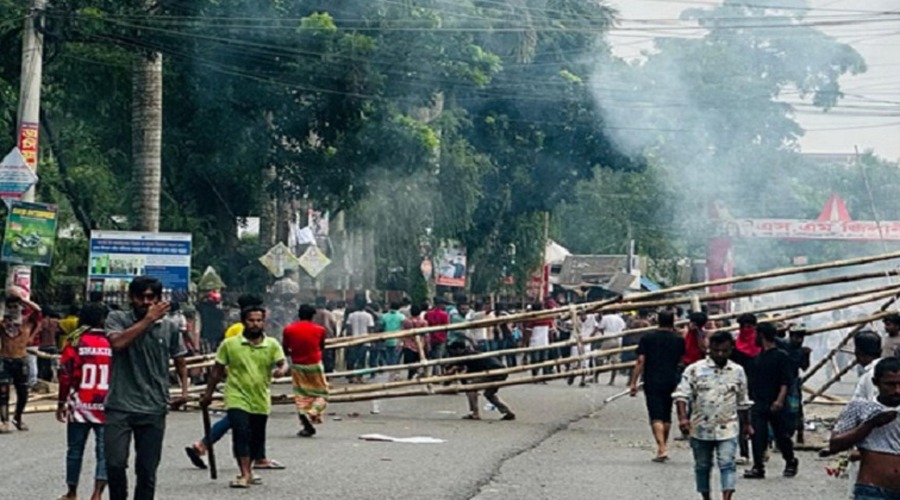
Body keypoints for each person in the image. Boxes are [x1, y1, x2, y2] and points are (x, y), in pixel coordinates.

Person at [104, 276, 189, 500]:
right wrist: (148, 320)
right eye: (140, 297)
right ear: (131, 298)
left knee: (146, 469)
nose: (145, 302)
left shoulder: (170, 327)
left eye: (151, 297)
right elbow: (118, 343)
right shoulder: (117, 318)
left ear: (159, 299)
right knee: (114, 464)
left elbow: (180, 360)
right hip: (119, 405)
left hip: (154, 406)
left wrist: (184, 392)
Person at [185, 294, 284, 471]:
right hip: (238, 386)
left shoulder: (236, 330)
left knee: (251, 423)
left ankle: (207, 445)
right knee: (238, 422)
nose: (256, 323)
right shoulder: (238, 333)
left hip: (256, 388)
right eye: (252, 320)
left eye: (259, 320)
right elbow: (223, 358)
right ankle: (208, 446)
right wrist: (209, 392)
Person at [674, 331, 753, 500]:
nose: (720, 354)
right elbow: (681, 395)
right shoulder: (695, 369)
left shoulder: (737, 371)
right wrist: (683, 418)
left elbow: (743, 400)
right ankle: (706, 496)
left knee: (727, 463)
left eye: (724, 351)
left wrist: (747, 424)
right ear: (710, 349)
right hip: (701, 427)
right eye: (716, 350)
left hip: (728, 426)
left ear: (731, 349)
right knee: (702, 465)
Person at [56, 303, 111, 500]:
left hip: (80, 404)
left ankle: (72, 492)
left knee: (75, 450)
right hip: (106, 404)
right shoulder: (112, 341)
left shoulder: (75, 342)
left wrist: (61, 403)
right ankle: (97, 493)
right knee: (104, 452)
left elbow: (65, 376)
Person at [828, 357, 900, 499]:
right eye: (890, 384)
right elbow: (834, 444)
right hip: (872, 490)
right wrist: (869, 425)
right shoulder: (860, 408)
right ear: (875, 382)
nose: (897, 390)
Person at [743, 322, 798, 479]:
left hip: (776, 402)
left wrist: (779, 400)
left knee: (781, 436)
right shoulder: (757, 358)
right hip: (759, 402)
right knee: (758, 435)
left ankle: (791, 461)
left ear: (761, 335)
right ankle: (758, 467)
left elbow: (785, 381)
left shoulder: (781, 356)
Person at [629, 310, 686, 462]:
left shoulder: (648, 338)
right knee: (666, 413)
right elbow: (682, 360)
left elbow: (641, 360)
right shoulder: (678, 340)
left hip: (652, 379)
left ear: (657, 321)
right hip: (672, 379)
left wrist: (634, 382)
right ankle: (663, 445)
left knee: (655, 414)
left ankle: (661, 448)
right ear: (673, 322)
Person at [0, 286, 42, 433]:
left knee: (23, 393)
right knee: (3, 392)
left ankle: (18, 417)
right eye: (10, 307)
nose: (13, 309)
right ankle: (4, 421)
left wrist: (23, 299)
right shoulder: (3, 323)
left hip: (21, 359)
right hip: (5, 359)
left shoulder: (26, 321)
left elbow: (38, 311)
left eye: (15, 306)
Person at [282, 304, 329, 437]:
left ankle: (306, 425)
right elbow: (321, 346)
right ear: (313, 316)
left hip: (298, 366)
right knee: (322, 393)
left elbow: (285, 348)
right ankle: (313, 412)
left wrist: (294, 353)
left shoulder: (289, 329)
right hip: (315, 365)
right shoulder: (320, 330)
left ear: (299, 314)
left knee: (301, 396)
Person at [446, 340, 515, 421]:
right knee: (489, 394)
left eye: (453, 351)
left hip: (493, 372)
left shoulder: (466, 356)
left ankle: (474, 413)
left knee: (471, 388)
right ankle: (507, 412)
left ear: (458, 349)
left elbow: (456, 371)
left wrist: (447, 379)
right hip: (501, 372)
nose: (452, 353)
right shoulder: (470, 353)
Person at [345, 303, 375, 382]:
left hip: (353, 340)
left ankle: (351, 377)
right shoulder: (368, 316)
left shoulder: (351, 315)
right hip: (364, 340)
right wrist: (372, 340)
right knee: (362, 359)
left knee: (351, 359)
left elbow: (349, 329)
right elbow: (370, 329)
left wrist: (348, 339)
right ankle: (360, 377)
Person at [400, 305, 429, 380]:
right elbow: (426, 334)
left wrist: (401, 342)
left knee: (410, 362)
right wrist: (427, 344)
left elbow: (402, 332)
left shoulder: (406, 321)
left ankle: (411, 374)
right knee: (419, 360)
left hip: (408, 344)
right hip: (420, 344)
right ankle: (417, 373)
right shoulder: (424, 322)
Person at [598, 311, 627, 385]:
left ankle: (596, 376)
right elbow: (624, 329)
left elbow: (600, 328)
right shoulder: (620, 319)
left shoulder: (605, 318)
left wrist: (603, 334)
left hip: (608, 338)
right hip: (618, 339)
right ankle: (612, 380)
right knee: (615, 360)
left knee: (600, 357)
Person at [424, 300, 450, 376]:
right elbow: (446, 327)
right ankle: (436, 374)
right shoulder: (444, 314)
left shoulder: (428, 314)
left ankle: (430, 373)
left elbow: (426, 325)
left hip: (430, 338)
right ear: (440, 305)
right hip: (441, 338)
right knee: (438, 358)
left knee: (430, 357)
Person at [313, 297, 338, 373]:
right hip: (326, 339)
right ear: (325, 303)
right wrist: (334, 336)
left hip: (314, 339)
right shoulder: (328, 314)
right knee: (327, 359)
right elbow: (333, 326)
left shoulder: (312, 313)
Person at [379, 302, 406, 368]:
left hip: (387, 339)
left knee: (388, 358)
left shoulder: (384, 316)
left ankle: (390, 369)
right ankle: (394, 370)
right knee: (396, 359)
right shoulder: (402, 316)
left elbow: (381, 327)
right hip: (398, 340)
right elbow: (403, 327)